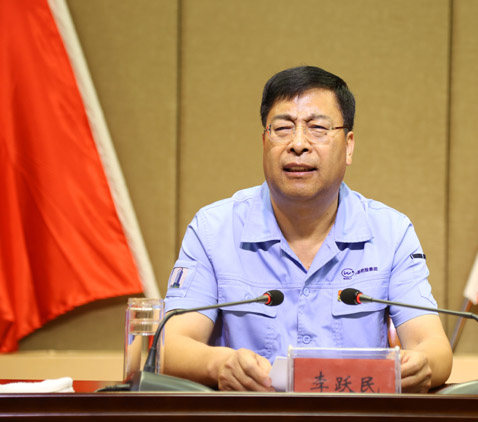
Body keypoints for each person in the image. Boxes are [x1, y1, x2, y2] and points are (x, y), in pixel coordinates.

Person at [162, 66, 452, 393]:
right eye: (282, 128)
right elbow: (171, 347)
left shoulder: (390, 232)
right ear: (264, 141)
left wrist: (421, 365)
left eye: (318, 128)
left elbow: (434, 347)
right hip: (253, 417)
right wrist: (220, 364)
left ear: (349, 146)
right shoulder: (214, 229)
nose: (298, 144)